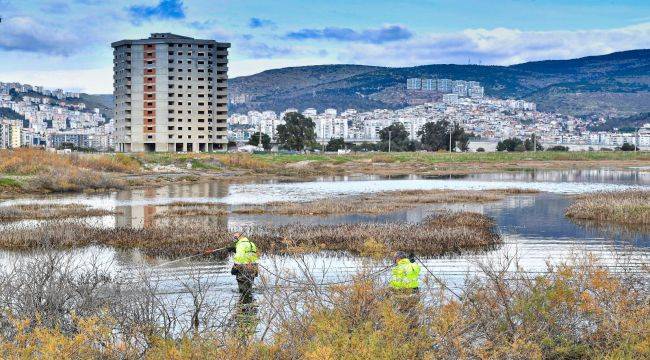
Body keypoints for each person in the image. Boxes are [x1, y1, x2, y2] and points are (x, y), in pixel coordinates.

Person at [229, 232, 259, 305]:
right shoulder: (251, 244)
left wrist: (234, 267)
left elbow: (239, 258)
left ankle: (243, 306)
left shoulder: (240, 245)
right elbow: (249, 254)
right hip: (253, 267)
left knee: (242, 289)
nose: (234, 239)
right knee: (249, 286)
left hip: (243, 267)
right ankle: (250, 304)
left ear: (239, 237)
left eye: (235, 237)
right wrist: (235, 249)